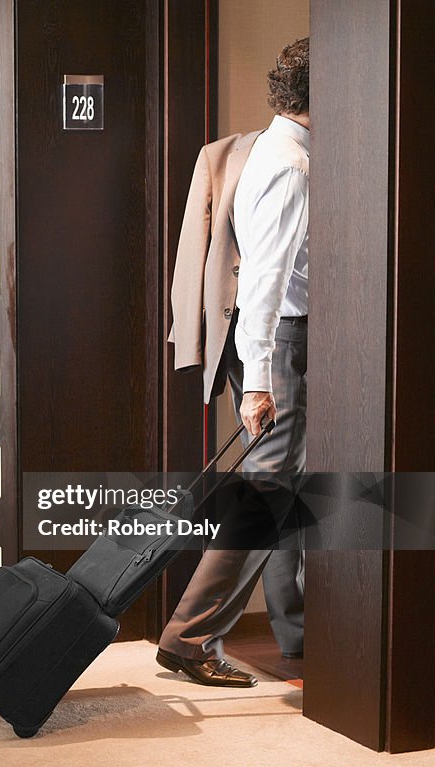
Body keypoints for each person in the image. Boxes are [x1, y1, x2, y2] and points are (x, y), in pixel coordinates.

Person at [157, 37, 310, 687]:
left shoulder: (257, 147)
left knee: (284, 485)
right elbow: (267, 281)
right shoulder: (294, 166)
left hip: (268, 342)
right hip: (282, 341)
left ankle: (297, 631)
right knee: (271, 489)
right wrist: (264, 381)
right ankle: (190, 635)